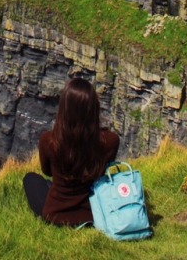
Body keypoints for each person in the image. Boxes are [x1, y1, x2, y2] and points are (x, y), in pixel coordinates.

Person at [23, 77, 119, 227]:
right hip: (92, 213)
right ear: (94, 108)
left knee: (30, 179)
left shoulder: (49, 140)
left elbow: (47, 171)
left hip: (55, 215)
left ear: (63, 108)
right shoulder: (110, 141)